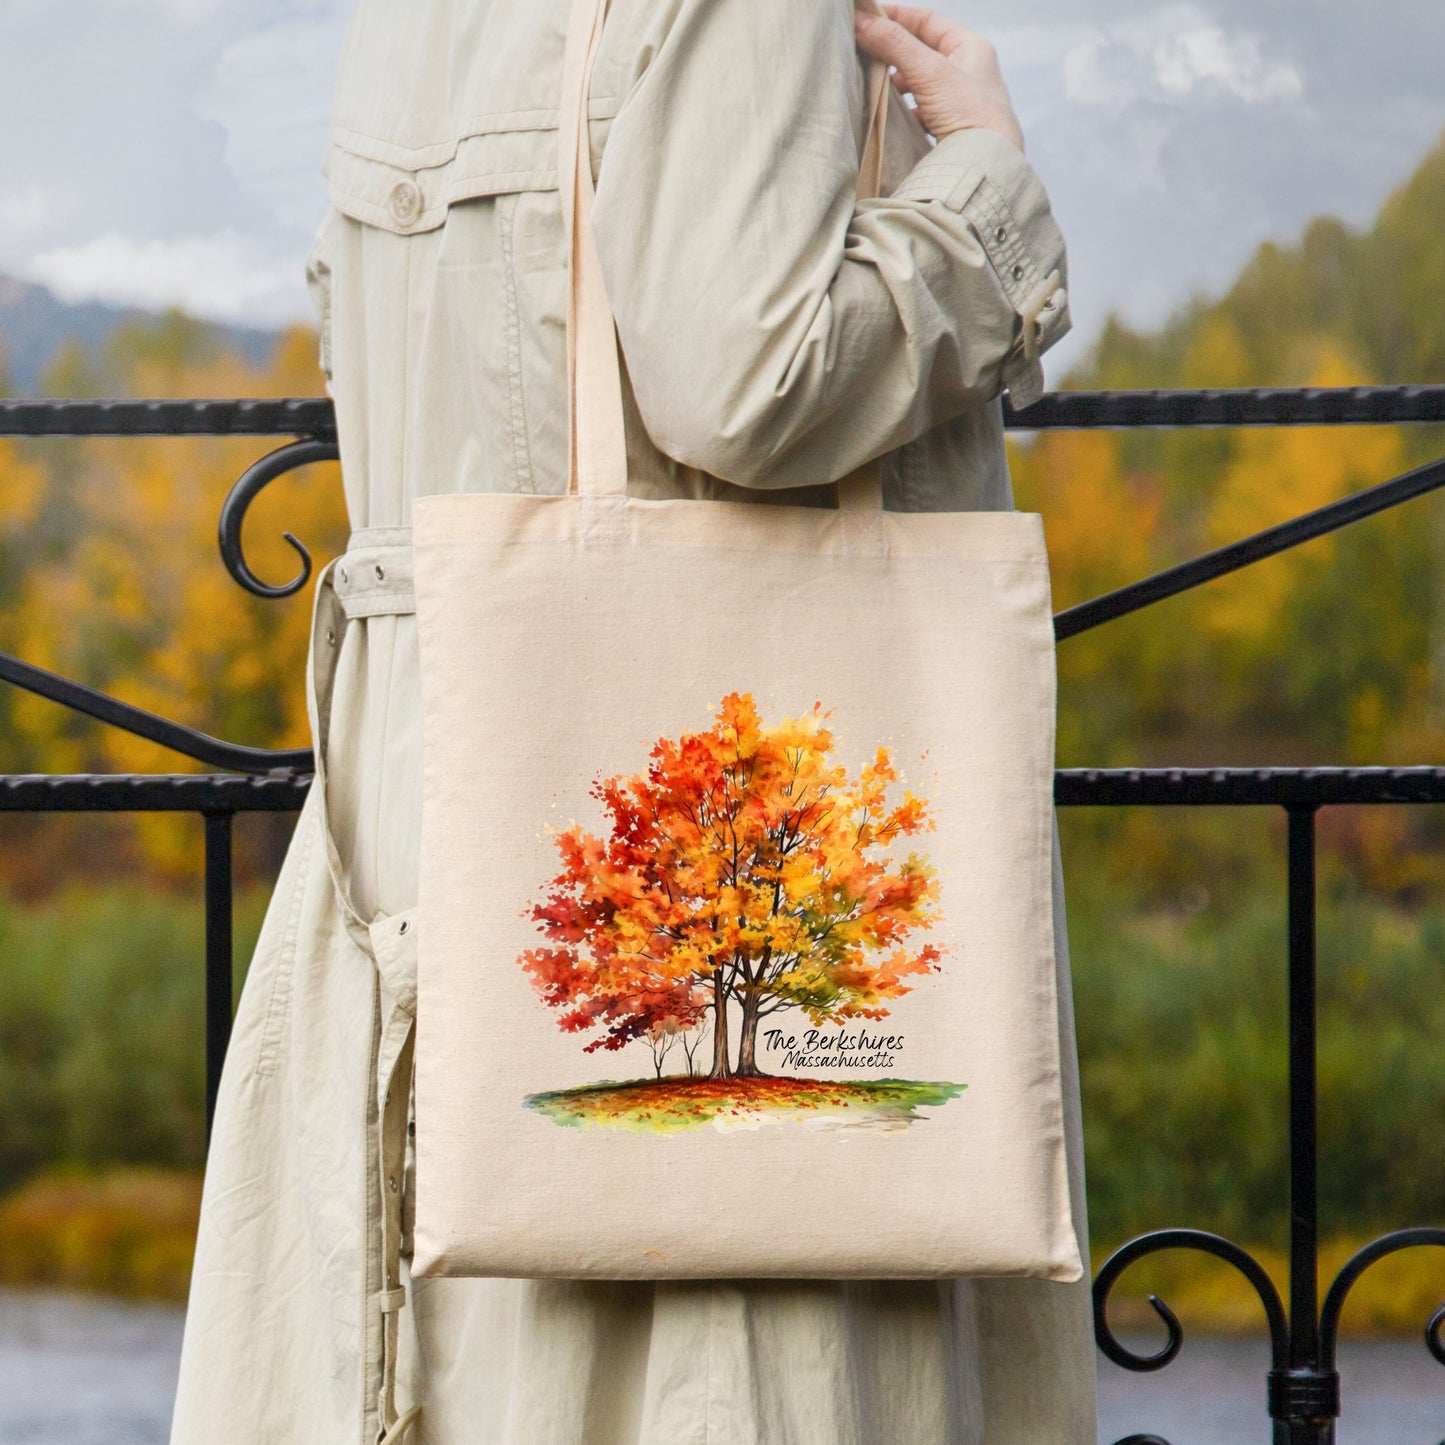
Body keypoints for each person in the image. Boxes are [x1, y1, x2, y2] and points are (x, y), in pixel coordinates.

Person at [170, 2, 1090, 1442]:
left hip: (440, 780)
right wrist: (980, 183)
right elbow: (749, 381)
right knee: (731, 1367)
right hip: (715, 737)